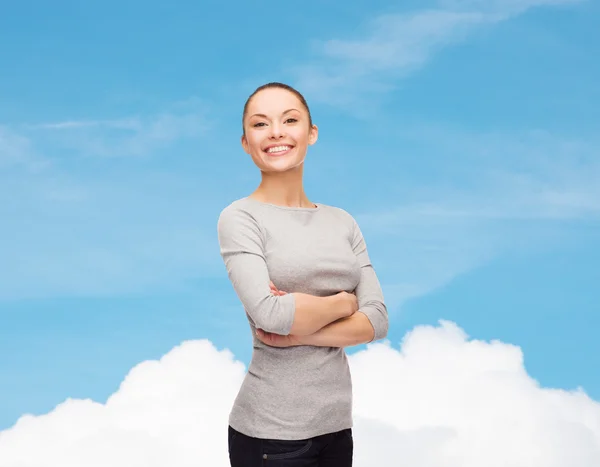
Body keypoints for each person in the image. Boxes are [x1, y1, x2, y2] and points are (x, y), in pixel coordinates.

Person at [217, 82, 388, 466]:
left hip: (336, 427)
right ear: (246, 142)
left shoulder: (342, 221)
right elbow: (271, 315)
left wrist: (297, 334)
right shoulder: (240, 218)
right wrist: (345, 302)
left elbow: (377, 320)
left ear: (311, 133)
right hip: (270, 436)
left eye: (290, 120)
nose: (276, 131)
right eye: (261, 124)